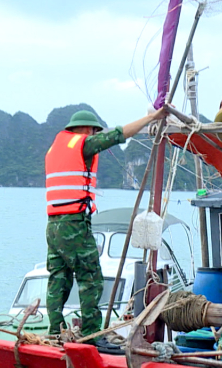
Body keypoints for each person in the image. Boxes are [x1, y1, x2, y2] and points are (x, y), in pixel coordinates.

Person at [45, 107, 165, 353]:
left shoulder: (54, 148)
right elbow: (120, 134)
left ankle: (54, 330)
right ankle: (91, 334)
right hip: (74, 224)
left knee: (58, 279)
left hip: (53, 223)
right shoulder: (84, 144)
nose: (93, 134)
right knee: (90, 278)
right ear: (86, 130)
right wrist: (151, 118)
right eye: (92, 130)